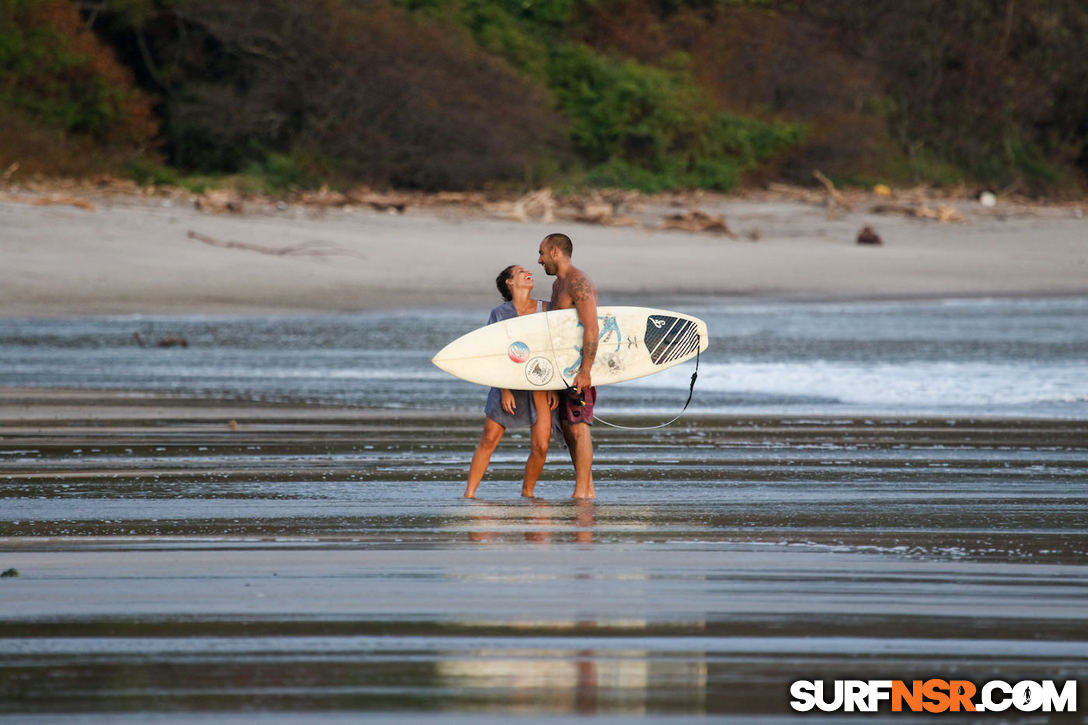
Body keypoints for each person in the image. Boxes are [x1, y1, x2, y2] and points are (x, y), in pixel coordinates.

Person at [464, 265, 557, 499]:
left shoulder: (547, 308)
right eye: (521, 272)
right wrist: (504, 390)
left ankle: (528, 493)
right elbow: (494, 351)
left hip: (539, 383)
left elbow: (557, 349)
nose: (528, 272)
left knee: (541, 445)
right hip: (507, 380)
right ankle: (469, 495)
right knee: (489, 438)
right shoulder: (499, 313)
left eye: (528, 271)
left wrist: (554, 385)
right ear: (509, 282)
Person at [537, 232, 598, 499]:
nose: (539, 260)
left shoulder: (578, 282)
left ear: (555, 252)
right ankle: (588, 490)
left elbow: (592, 328)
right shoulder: (557, 285)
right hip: (561, 370)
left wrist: (585, 371)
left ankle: (581, 492)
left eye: (542, 253)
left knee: (578, 427)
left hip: (578, 370)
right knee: (568, 427)